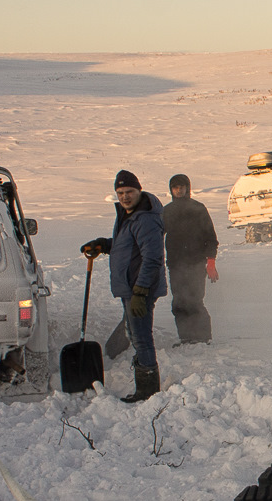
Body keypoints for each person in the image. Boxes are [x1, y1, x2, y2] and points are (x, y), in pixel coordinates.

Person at [80, 170, 167, 402]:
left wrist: (140, 291)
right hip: (132, 287)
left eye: (129, 192)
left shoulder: (145, 218)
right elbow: (128, 247)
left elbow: (152, 258)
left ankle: (148, 391)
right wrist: (104, 245)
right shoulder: (129, 215)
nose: (125, 197)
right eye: (120, 193)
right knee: (136, 334)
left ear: (139, 191)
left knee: (141, 338)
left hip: (140, 289)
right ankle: (146, 386)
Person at [162, 174, 219, 343]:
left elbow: (211, 238)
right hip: (175, 265)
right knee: (179, 302)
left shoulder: (198, 209)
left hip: (196, 263)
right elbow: (156, 235)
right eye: (175, 187)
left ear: (188, 188)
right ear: (171, 190)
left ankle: (203, 338)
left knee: (194, 301)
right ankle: (186, 338)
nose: (179, 190)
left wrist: (211, 262)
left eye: (182, 187)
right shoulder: (167, 211)